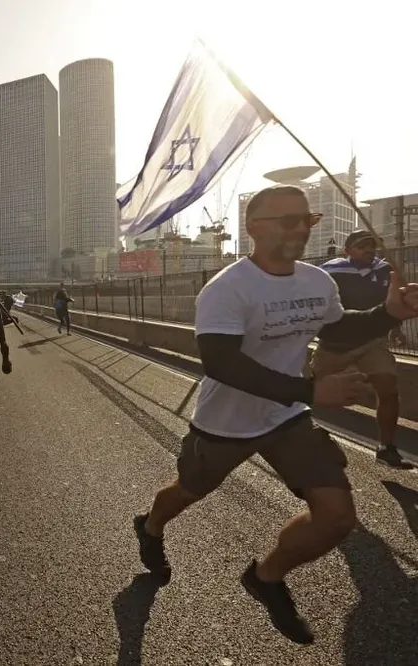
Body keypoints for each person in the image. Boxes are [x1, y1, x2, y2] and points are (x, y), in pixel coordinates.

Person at [133, 184, 418, 645]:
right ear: (252, 228)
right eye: (288, 220)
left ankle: (266, 577)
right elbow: (220, 363)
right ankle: (149, 526)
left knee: (338, 517)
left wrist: (387, 314)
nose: (300, 229)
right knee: (187, 491)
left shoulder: (315, 281)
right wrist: (310, 388)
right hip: (225, 424)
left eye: (307, 219)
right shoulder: (226, 290)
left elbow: (339, 325)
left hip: (286, 417)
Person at [313, 229, 408, 468]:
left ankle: (386, 447)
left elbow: (392, 303)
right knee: (310, 390)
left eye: (372, 245)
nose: (369, 250)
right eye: (362, 246)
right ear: (348, 251)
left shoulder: (385, 269)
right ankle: (300, 430)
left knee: (388, 389)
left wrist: (396, 328)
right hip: (336, 344)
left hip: (372, 342)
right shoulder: (331, 271)